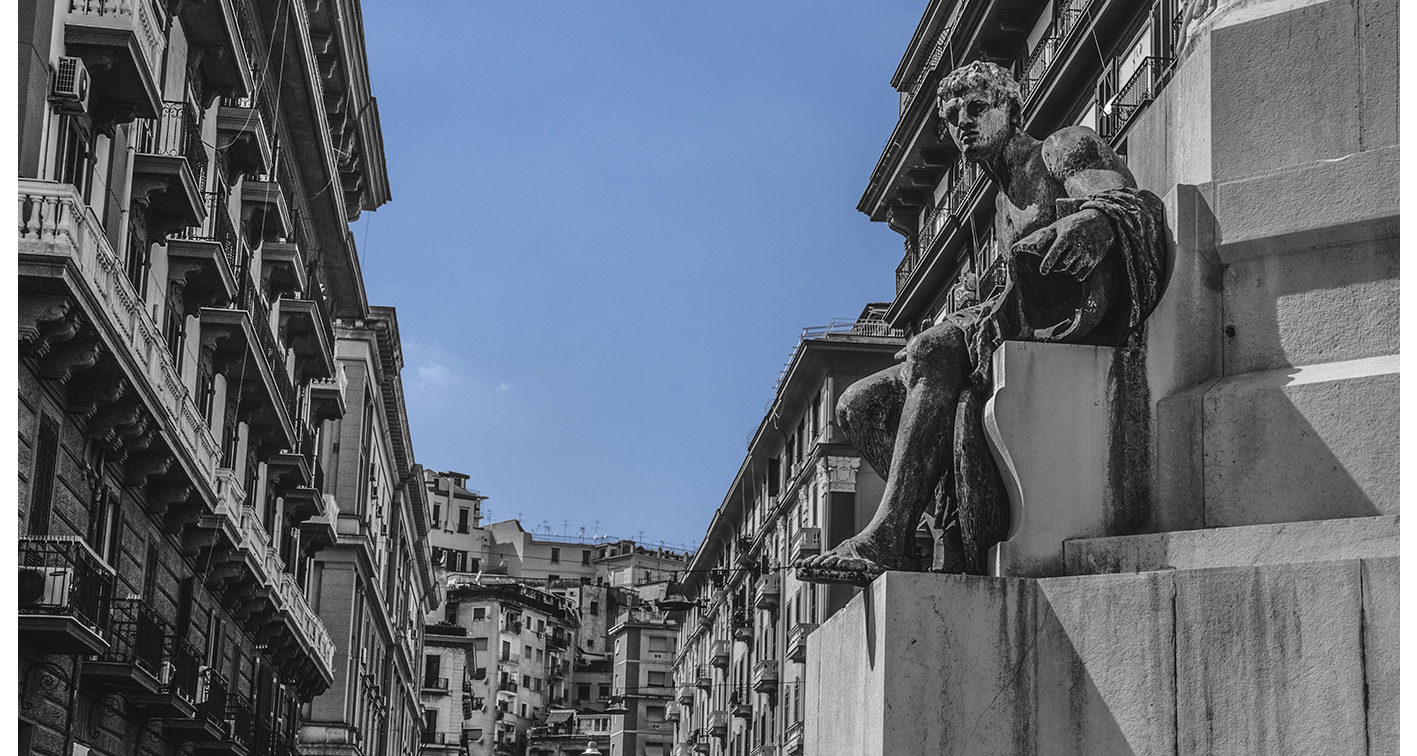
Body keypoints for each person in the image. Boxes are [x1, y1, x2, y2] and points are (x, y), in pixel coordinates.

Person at [795, 61, 1166, 584]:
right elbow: (1005, 291)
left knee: (931, 348)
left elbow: (1122, 202)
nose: (962, 123)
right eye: (951, 117)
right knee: (858, 405)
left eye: (975, 108)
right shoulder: (1000, 202)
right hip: (1016, 322)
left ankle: (888, 536)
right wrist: (974, 313)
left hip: (1073, 320)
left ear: (1010, 110)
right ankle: (940, 520)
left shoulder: (1061, 147)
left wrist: (1094, 219)